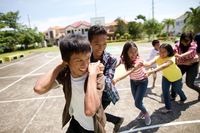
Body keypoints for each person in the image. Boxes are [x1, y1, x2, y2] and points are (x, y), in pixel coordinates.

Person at [34, 34, 106, 133]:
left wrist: (92, 75)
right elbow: (39, 88)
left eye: (88, 58)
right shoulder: (66, 74)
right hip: (76, 121)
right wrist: (61, 64)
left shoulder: (97, 76)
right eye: (79, 60)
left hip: (92, 128)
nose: (85, 65)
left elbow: (90, 111)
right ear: (67, 61)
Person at [88, 25, 124, 133]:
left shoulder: (111, 59)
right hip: (90, 91)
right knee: (90, 115)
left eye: (104, 44)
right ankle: (117, 120)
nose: (101, 47)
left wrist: (98, 73)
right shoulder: (85, 57)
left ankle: (115, 121)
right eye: (97, 44)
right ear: (90, 42)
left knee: (92, 116)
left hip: (105, 94)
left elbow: (108, 81)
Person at [113, 41, 151, 126]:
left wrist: (150, 66)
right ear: (126, 52)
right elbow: (118, 65)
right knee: (138, 101)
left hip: (142, 82)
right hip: (133, 82)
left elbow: (129, 71)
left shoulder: (138, 60)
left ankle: (146, 113)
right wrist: (111, 69)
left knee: (137, 103)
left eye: (135, 51)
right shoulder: (124, 59)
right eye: (131, 52)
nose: (134, 54)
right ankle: (142, 111)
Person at [146, 43, 187, 113]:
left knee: (177, 90)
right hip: (166, 77)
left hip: (176, 77)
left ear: (169, 52)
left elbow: (164, 66)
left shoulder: (172, 58)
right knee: (165, 92)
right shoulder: (157, 57)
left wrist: (152, 70)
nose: (161, 53)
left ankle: (183, 98)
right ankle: (168, 108)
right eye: (160, 51)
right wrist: (140, 63)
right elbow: (149, 63)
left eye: (164, 52)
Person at [172, 32, 200, 101]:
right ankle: (173, 95)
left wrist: (180, 56)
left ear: (191, 40)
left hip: (192, 65)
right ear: (181, 39)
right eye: (183, 40)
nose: (185, 43)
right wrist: (176, 55)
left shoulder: (193, 45)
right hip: (182, 64)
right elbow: (174, 51)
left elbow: (190, 52)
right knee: (175, 79)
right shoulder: (178, 44)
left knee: (189, 83)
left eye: (187, 41)